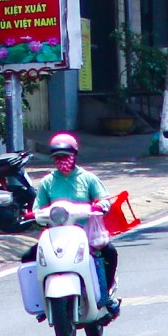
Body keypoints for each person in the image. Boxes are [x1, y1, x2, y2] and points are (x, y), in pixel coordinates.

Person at [34, 132, 117, 308]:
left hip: (86, 236)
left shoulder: (87, 178)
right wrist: (36, 216)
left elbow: (104, 200)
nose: (61, 160)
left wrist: (101, 206)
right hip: (56, 237)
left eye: (65, 156)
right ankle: (41, 302)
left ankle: (106, 294)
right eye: (57, 157)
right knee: (29, 257)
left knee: (110, 253)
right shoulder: (47, 182)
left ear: (74, 156)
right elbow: (37, 208)